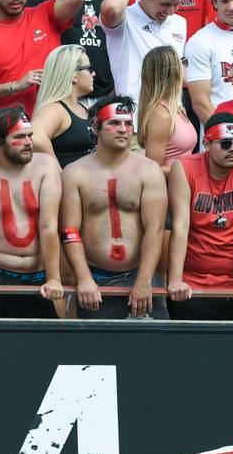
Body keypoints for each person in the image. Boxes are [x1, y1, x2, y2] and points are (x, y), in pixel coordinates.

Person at [60, 96, 169, 318]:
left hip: (139, 273)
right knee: (95, 350)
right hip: (95, 279)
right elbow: (70, 231)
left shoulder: (148, 170)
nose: (123, 129)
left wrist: (144, 280)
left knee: (156, 347)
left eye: (128, 124)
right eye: (114, 123)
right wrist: (83, 278)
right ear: (96, 127)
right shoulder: (74, 173)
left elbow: (155, 229)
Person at [0, 106, 63, 317]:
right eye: (20, 137)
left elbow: (48, 225)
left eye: (30, 136)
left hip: (38, 277)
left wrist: (54, 278)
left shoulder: (46, 164)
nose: (28, 142)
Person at [167, 112, 233, 319]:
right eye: (225, 144)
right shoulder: (184, 167)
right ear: (206, 143)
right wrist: (175, 279)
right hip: (192, 282)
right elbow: (180, 226)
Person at [99, 0, 188, 117]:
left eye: (176, 4)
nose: (171, 11)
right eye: (165, 4)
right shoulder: (125, 19)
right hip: (133, 122)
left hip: (171, 122)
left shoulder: (179, 23)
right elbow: (111, 7)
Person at [31, 44, 96, 167]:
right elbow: (36, 138)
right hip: (67, 185)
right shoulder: (54, 109)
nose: (94, 74)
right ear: (74, 76)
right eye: (90, 69)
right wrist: (59, 175)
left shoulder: (81, 108)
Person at [137, 45, 196, 178]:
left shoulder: (179, 109)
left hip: (184, 187)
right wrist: (194, 168)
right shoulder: (161, 114)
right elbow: (152, 169)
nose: (185, 66)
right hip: (169, 191)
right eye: (182, 61)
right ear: (171, 71)